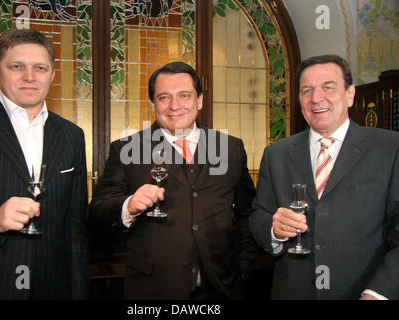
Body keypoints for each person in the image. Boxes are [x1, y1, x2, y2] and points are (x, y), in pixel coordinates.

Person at [87, 61, 258, 300]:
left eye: (184, 95)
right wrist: (129, 206)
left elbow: (248, 212)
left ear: (199, 100)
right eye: (164, 97)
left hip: (222, 288)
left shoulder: (230, 148)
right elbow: (96, 213)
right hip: (153, 290)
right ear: (153, 104)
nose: (175, 106)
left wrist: (243, 264)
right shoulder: (126, 149)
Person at [0, 29, 89, 299]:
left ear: (52, 74)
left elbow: (76, 232)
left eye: (39, 67)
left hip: (51, 288)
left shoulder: (72, 135)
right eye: (17, 66)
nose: (29, 76)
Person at [249, 54, 399, 300]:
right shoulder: (276, 154)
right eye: (306, 90)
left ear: (350, 94)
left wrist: (378, 293)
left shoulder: (390, 149)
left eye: (328, 88)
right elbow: (258, 217)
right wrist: (273, 229)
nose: (316, 98)